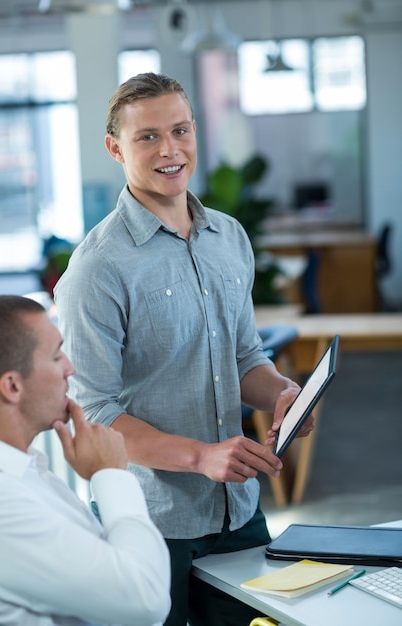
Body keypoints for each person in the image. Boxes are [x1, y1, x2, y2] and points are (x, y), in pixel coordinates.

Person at [54, 72, 314, 626]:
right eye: (147, 136)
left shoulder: (230, 237)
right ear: (115, 148)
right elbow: (93, 414)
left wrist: (284, 392)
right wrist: (201, 456)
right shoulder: (96, 269)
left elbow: (244, 355)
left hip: (237, 511)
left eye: (180, 130)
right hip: (148, 522)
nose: (170, 150)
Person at [0, 294, 171, 626]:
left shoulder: (26, 468)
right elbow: (146, 601)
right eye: (56, 356)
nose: (70, 367)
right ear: (12, 386)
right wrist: (111, 474)